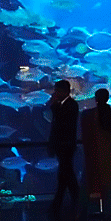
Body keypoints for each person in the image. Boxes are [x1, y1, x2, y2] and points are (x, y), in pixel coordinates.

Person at [80, 88, 111, 214]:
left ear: (95, 99)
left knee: (89, 180)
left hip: (92, 153)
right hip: (109, 154)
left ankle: (87, 210)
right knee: (110, 184)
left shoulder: (87, 115)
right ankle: (109, 211)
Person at [47, 80, 79, 213]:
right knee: (66, 174)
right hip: (62, 145)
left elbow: (61, 122)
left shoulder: (71, 105)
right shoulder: (63, 105)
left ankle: (66, 203)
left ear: (65, 91)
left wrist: (54, 106)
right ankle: (73, 202)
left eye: (57, 91)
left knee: (66, 174)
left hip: (66, 144)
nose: (55, 93)